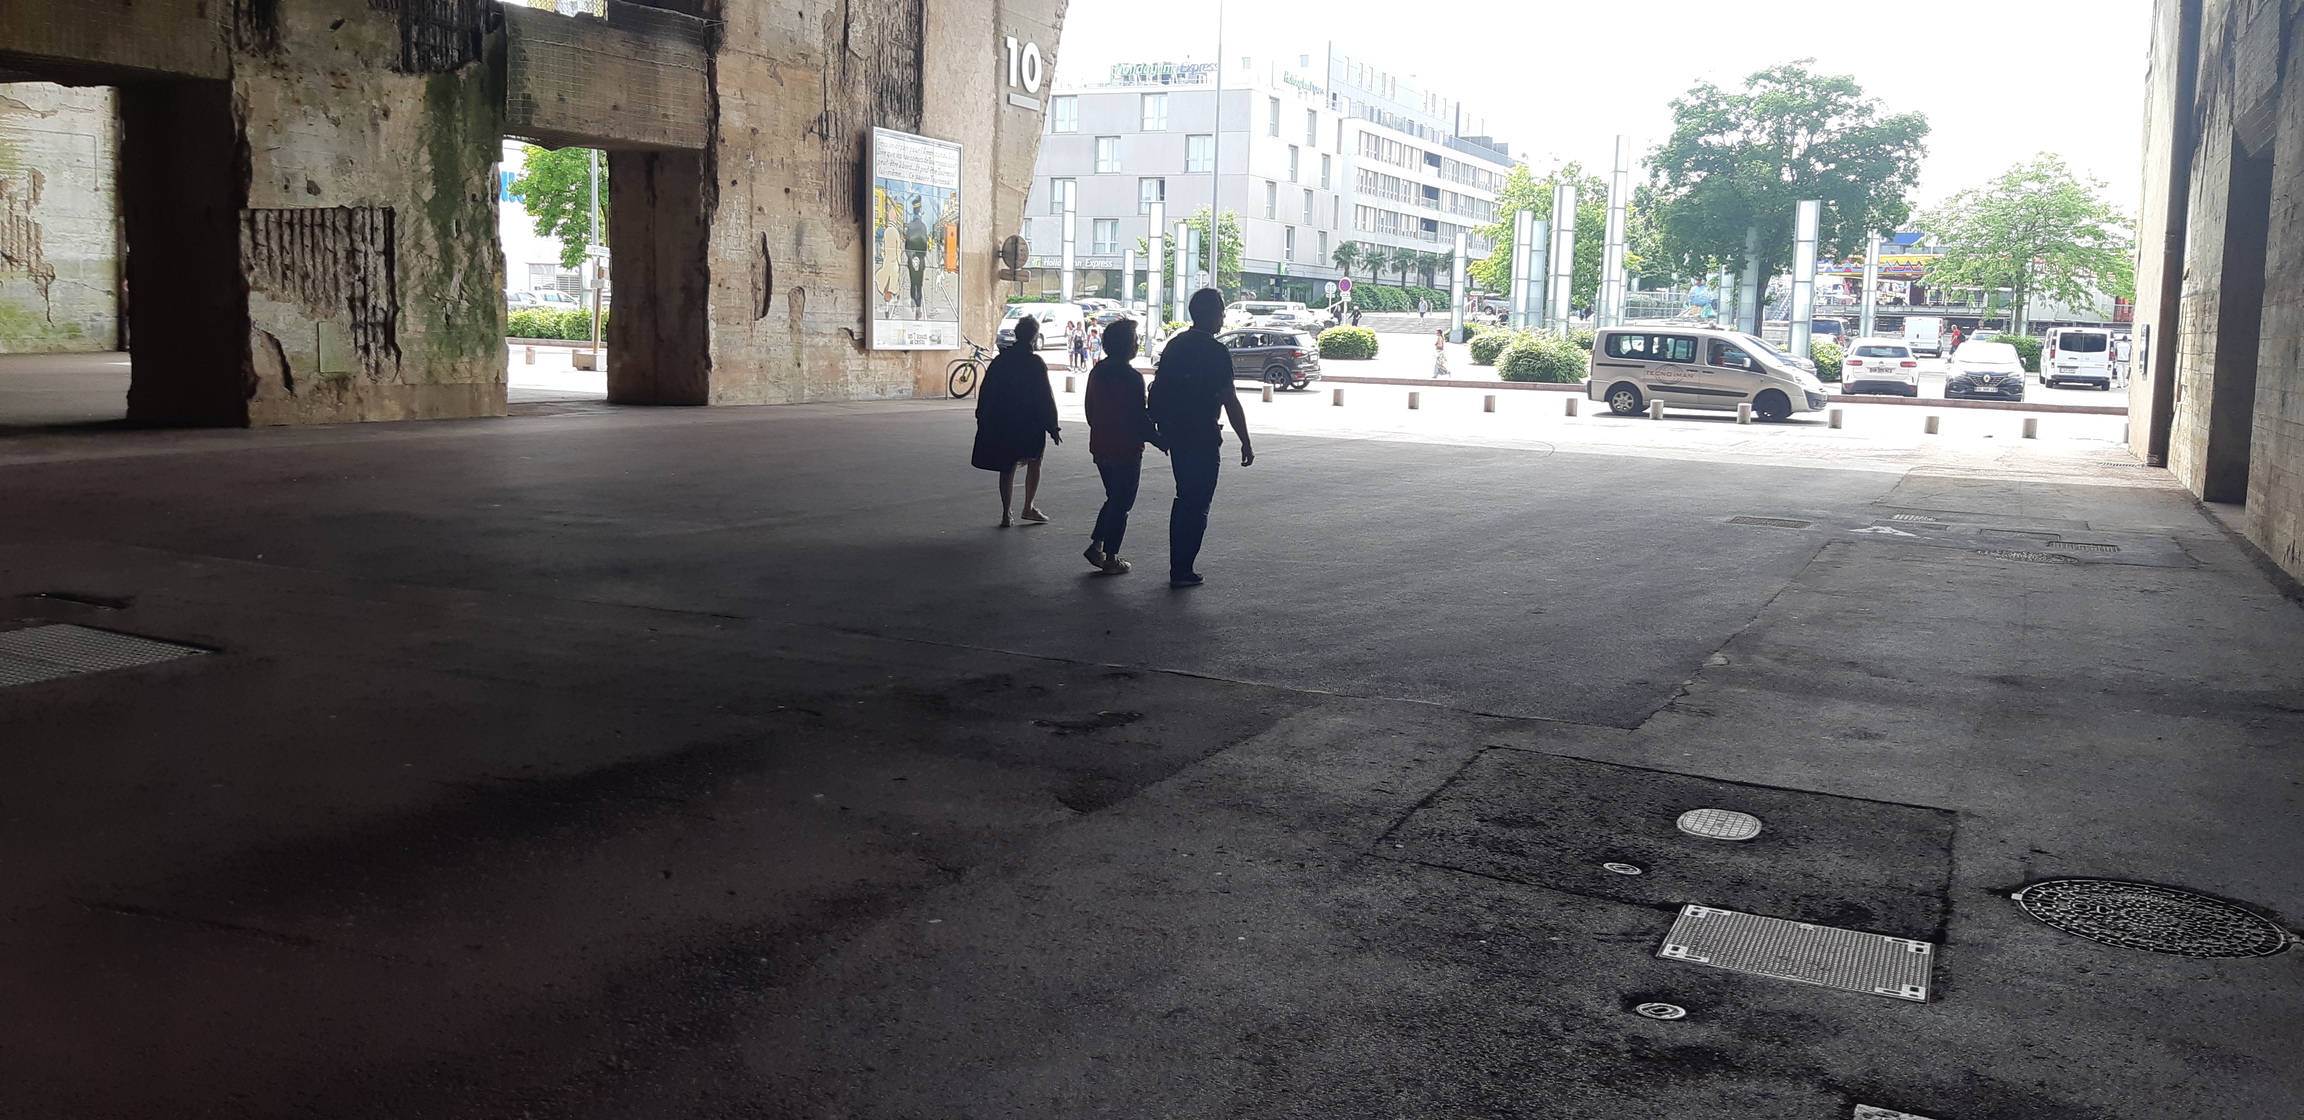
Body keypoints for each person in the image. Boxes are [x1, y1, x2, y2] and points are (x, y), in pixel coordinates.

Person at [1148, 289, 1256, 588]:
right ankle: (1183, 569)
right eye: (1221, 312)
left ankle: (1178, 565)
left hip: (1176, 434)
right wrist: (1245, 441)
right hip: (1203, 435)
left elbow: (1161, 388)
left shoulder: (1175, 345)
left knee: (1184, 497)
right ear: (1211, 314)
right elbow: (1229, 399)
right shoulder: (1216, 351)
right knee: (1198, 503)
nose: (1223, 317)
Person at [1082, 318, 1163, 575]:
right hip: (1126, 448)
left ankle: (1097, 545)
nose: (1137, 343)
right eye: (1135, 339)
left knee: (1114, 498)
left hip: (1101, 446)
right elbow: (1138, 418)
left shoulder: (1097, 372)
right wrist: (1159, 439)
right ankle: (1111, 557)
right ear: (1126, 344)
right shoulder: (1132, 378)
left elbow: (1089, 410)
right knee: (1122, 503)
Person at [970, 316, 1061, 527]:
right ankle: (1028, 506)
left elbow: (986, 390)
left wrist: (982, 416)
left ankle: (1006, 513)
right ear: (1034, 337)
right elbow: (1045, 395)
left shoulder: (1000, 361)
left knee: (1007, 464)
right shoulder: (1035, 363)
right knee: (1035, 460)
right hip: (1030, 422)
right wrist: (1053, 426)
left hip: (1004, 420)